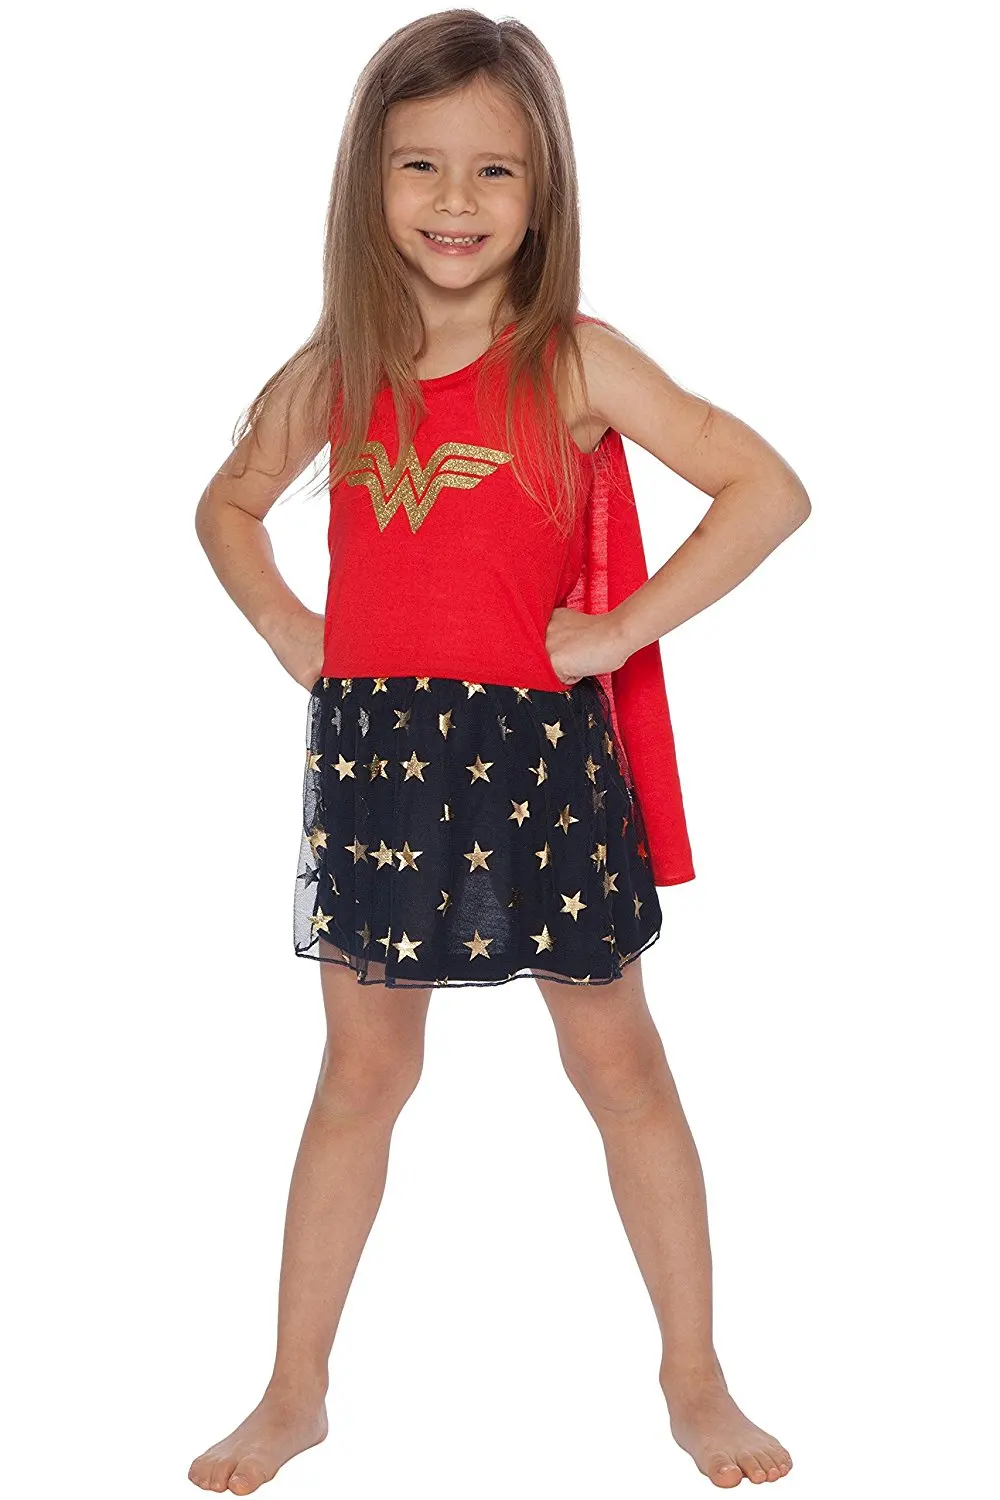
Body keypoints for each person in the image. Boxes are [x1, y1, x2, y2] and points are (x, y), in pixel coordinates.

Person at [190, 10, 809, 1493]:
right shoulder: (341, 365)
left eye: (494, 171)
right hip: (383, 762)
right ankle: (293, 1389)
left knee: (617, 1060)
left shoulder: (574, 362)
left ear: (544, 192)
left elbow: (765, 488)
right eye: (421, 164)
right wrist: (286, 623)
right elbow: (228, 502)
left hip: (535, 757)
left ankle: (695, 1374)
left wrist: (616, 630)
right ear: (370, 177)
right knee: (360, 1073)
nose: (455, 201)